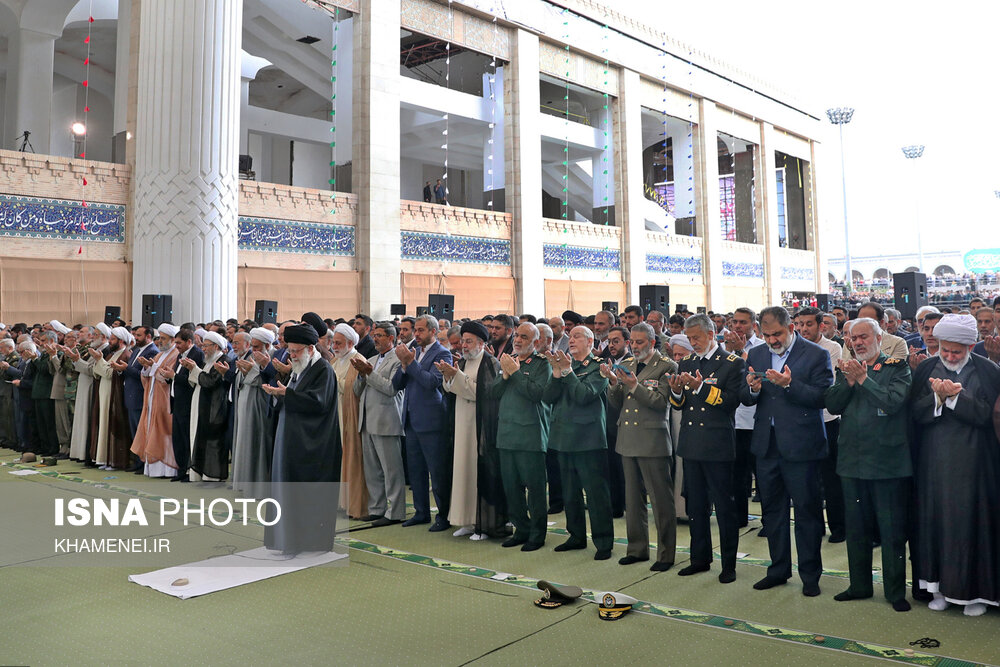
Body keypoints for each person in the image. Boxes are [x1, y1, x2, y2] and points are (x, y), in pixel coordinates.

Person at [910, 314, 1000, 616]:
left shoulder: (988, 370)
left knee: (972, 525)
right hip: (934, 464)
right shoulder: (926, 368)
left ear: (971, 346)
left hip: (975, 464)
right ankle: (940, 589)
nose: (949, 356)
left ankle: (975, 595)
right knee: (937, 524)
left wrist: (953, 399)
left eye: (956, 352)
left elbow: (988, 416)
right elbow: (916, 413)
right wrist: (936, 397)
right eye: (944, 350)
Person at [741, 306, 833, 597]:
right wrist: (753, 389)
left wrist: (790, 384)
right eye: (766, 335)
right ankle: (778, 570)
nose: (772, 340)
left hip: (801, 446)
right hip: (767, 447)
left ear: (791, 327)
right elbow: (746, 397)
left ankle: (810, 576)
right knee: (772, 513)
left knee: (807, 512)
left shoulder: (816, 354)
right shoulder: (755, 354)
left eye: (777, 334)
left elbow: (822, 398)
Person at [825, 317, 913, 612]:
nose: (858, 342)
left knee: (891, 531)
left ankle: (895, 591)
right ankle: (859, 585)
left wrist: (864, 379)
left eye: (864, 337)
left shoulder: (896, 366)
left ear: (879, 338)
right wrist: (849, 381)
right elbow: (833, 405)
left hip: (887, 462)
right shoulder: (846, 369)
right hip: (852, 461)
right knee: (857, 529)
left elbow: (893, 402)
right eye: (852, 338)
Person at [668, 314, 745, 583]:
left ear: (711, 334)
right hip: (691, 444)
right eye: (689, 339)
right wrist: (676, 391)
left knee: (724, 508)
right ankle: (699, 558)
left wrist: (699, 387)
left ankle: (729, 565)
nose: (693, 343)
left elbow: (730, 403)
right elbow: (679, 405)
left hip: (717, 445)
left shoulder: (731, 364)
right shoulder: (686, 362)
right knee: (695, 507)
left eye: (697, 338)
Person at [262, 322, 342, 554]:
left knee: (304, 494)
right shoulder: (300, 368)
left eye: (295, 351)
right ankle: (288, 540)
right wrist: (280, 395)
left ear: (309, 349)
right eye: (290, 350)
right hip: (292, 440)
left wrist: (288, 394)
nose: (291, 355)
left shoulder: (322, 370)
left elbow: (319, 403)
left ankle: (307, 542)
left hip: (312, 445)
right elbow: (294, 396)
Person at [603, 323, 678, 571]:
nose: (634, 346)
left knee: (661, 502)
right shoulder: (630, 364)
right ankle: (637, 549)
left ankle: (665, 554)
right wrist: (613, 383)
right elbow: (617, 403)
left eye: (639, 342)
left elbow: (660, 403)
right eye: (632, 342)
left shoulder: (666, 366)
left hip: (652, 440)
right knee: (632, 500)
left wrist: (635, 386)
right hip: (627, 439)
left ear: (652, 342)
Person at [543, 325, 614, 560]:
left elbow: (584, 395)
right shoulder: (567, 365)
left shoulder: (598, 367)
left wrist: (567, 373)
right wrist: (557, 372)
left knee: (595, 493)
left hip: (588, 439)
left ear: (590, 342)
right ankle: (576, 536)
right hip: (563, 437)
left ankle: (603, 542)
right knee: (570, 492)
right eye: (570, 337)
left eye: (577, 337)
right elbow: (548, 397)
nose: (571, 340)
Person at [438, 321, 506, 539]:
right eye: (463, 341)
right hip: (462, 425)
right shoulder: (465, 362)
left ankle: (483, 524)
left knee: (479, 473)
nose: (464, 346)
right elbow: (452, 390)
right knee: (463, 471)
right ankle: (466, 520)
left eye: (468, 342)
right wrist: (448, 376)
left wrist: (456, 376)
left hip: (480, 429)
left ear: (481, 343)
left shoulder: (490, 363)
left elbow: (485, 394)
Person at [491, 322, 551, 551]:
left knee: (535, 490)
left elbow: (537, 394)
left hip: (530, 436)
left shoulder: (541, 364)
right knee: (512, 488)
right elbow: (493, 393)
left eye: (523, 337)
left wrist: (515, 374)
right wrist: (505, 375)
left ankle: (537, 534)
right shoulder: (508, 361)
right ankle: (521, 529)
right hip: (506, 435)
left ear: (536, 343)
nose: (517, 340)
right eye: (516, 336)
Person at [393, 314, 453, 530]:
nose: (416, 334)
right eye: (415, 330)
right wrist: (403, 364)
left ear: (433, 332)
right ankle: (421, 512)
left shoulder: (443, 353)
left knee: (437, 473)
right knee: (416, 471)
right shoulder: (414, 352)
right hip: (411, 419)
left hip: (431, 421)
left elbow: (432, 383)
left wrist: (410, 363)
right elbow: (397, 384)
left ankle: (444, 516)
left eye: (420, 330)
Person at [794, 306, 845, 543]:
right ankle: (815, 527)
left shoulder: (832, 348)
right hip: (802, 421)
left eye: (809, 324)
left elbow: (825, 387)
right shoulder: (793, 349)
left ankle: (838, 527)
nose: (804, 329)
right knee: (808, 479)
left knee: (831, 478)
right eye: (800, 324)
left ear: (820, 326)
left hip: (828, 421)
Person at [353, 322, 405, 526]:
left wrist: (368, 373)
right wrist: (360, 373)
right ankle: (377, 508)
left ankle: (396, 511)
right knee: (372, 470)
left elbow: (391, 388)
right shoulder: (371, 359)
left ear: (391, 339)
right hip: (367, 420)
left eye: (380, 336)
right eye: (374, 335)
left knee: (391, 470)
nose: (375, 339)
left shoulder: (398, 360)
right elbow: (357, 391)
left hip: (386, 420)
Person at [723, 307, 764, 526]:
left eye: (743, 323)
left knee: (762, 474)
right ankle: (739, 518)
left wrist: (741, 352)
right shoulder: (723, 349)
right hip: (734, 420)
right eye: (735, 322)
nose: (738, 326)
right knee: (736, 475)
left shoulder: (761, 348)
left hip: (757, 420)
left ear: (753, 325)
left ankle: (769, 520)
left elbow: (757, 376)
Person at [231, 327, 277, 498]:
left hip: (261, 405)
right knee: (245, 441)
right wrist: (244, 372)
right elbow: (247, 378)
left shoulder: (274, 356)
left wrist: (257, 368)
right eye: (253, 347)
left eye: (257, 347)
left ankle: (260, 488)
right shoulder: (253, 356)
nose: (254, 351)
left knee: (258, 443)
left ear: (266, 345)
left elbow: (271, 379)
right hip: (246, 402)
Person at [130, 324, 180, 478]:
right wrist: (146, 368)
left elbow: (166, 378)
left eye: (163, 339)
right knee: (151, 430)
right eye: (159, 338)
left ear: (172, 340)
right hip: (152, 398)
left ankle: (167, 469)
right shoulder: (159, 355)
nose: (160, 342)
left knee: (164, 432)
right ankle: (153, 468)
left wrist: (154, 368)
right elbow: (148, 376)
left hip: (164, 401)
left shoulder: (175, 355)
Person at [185, 330, 231, 482]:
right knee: (201, 440)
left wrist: (194, 369)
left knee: (214, 443)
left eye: (206, 346)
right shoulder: (208, 360)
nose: (203, 349)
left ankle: (213, 476)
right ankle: (202, 474)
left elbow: (210, 382)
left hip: (215, 409)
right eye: (203, 346)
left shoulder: (223, 360)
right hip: (203, 405)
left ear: (216, 346)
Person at [161, 328, 203, 482]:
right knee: (178, 439)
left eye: (179, 343)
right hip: (177, 402)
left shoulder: (196, 355)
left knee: (186, 438)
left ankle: (187, 471)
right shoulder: (181, 354)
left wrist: (174, 376)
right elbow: (177, 377)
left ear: (189, 342)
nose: (176, 345)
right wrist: (168, 376)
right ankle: (180, 470)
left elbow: (193, 381)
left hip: (187, 403)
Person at [92, 327, 134, 470]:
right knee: (104, 425)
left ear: (121, 341)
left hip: (115, 395)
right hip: (105, 392)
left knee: (113, 426)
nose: (110, 342)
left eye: (113, 339)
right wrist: (100, 361)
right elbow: (101, 372)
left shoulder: (125, 355)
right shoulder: (112, 355)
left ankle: (116, 461)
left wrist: (99, 360)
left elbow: (111, 374)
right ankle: (106, 459)